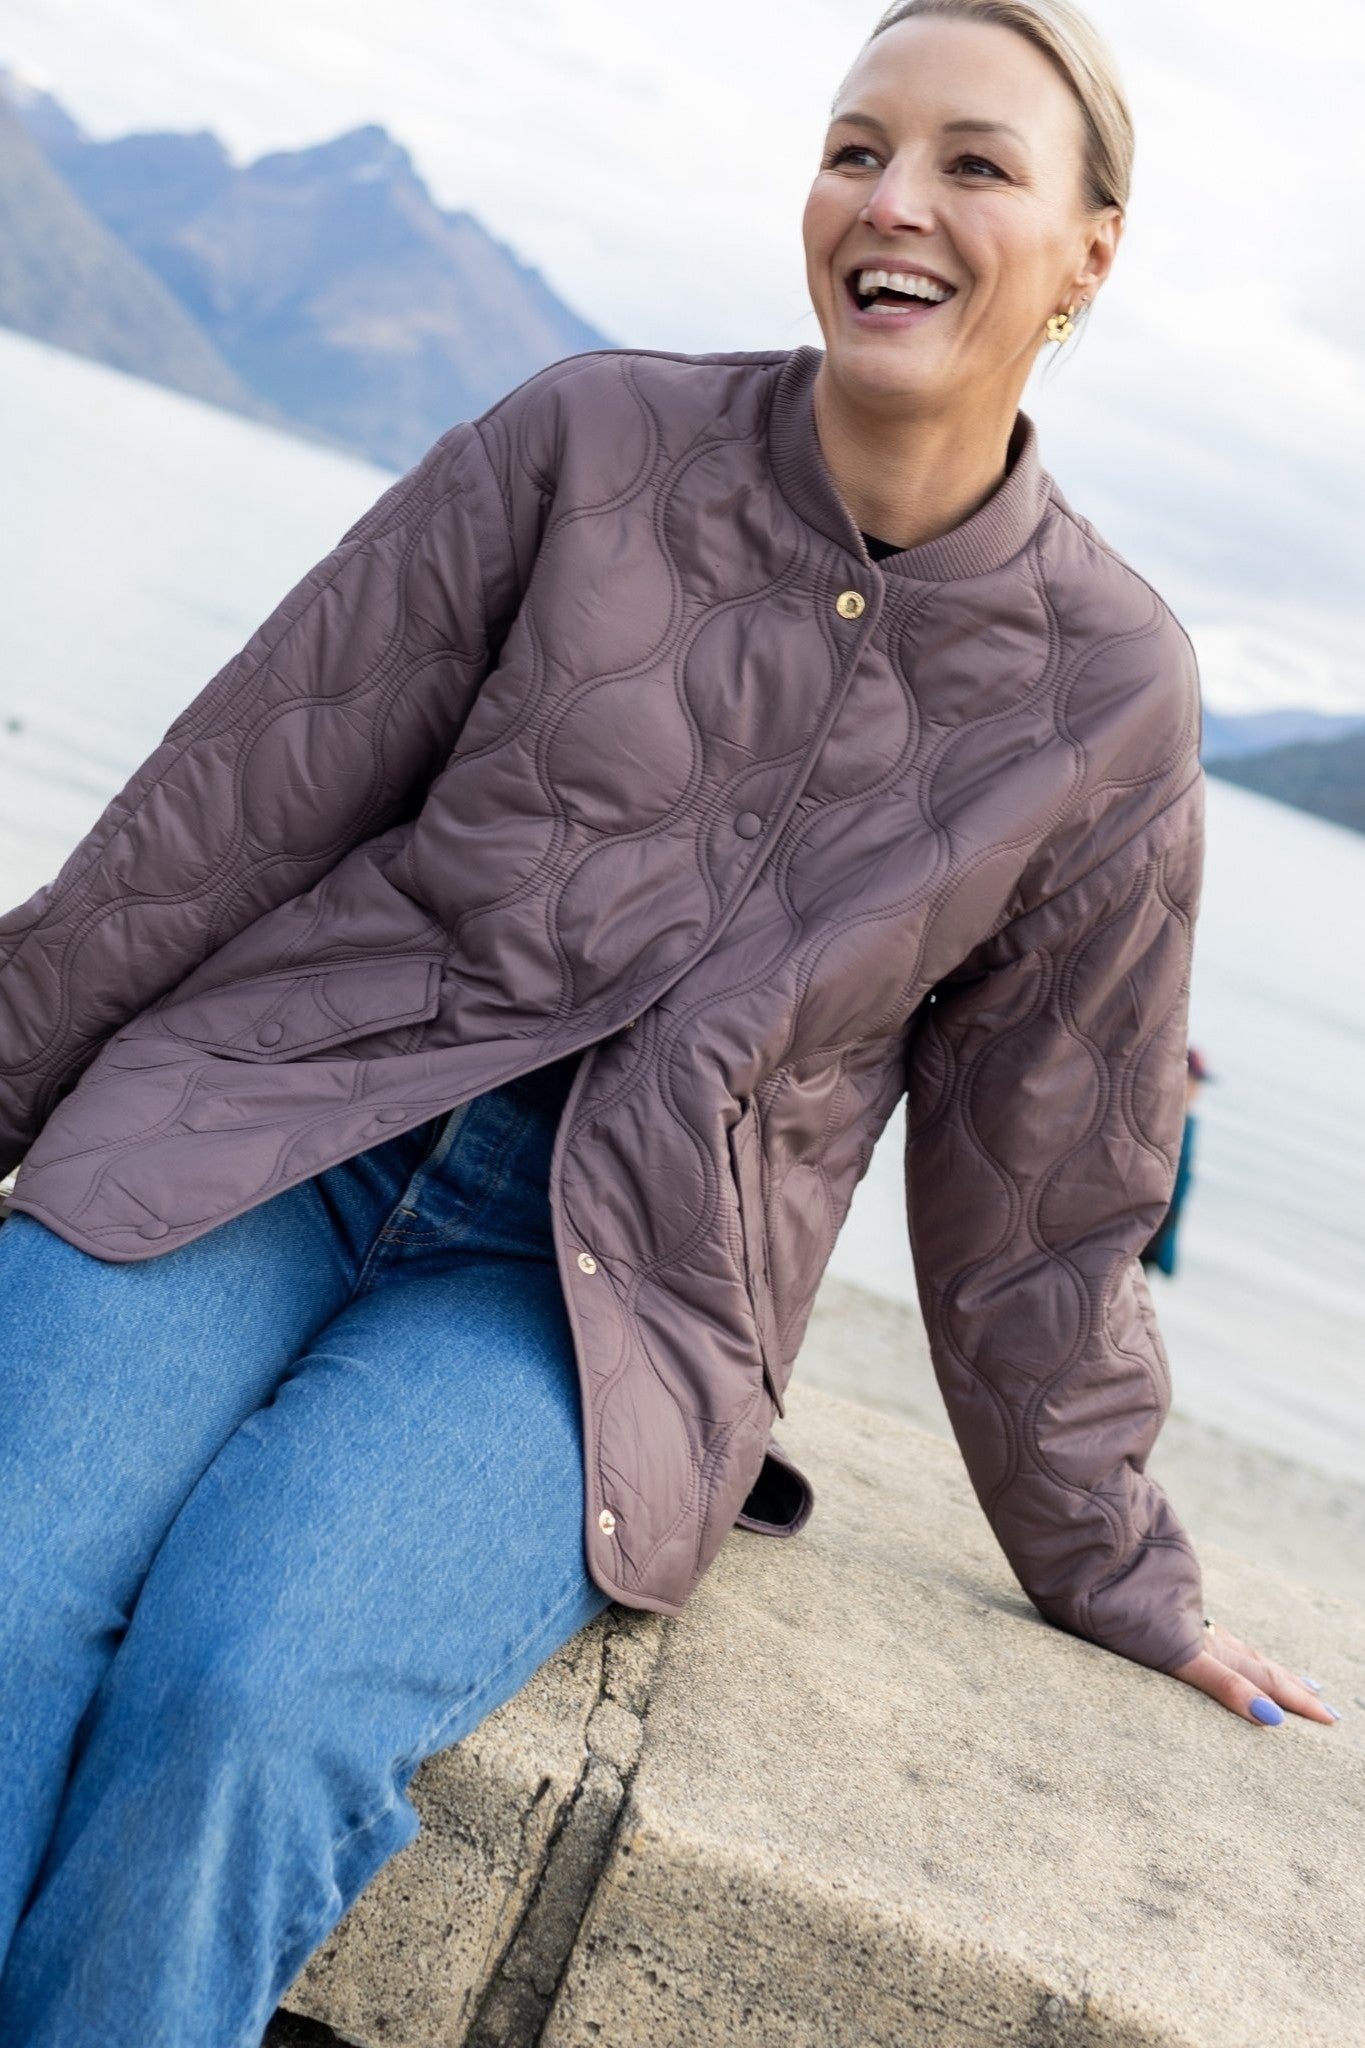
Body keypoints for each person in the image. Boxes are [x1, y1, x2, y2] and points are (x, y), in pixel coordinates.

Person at [0, 2, 1339, 2041]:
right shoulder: (586, 436)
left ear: (1088, 249)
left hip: (591, 1301)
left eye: (974, 163)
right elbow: (217, 822)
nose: (892, 201)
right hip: (258, 1123)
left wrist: (1117, 1568)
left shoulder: (1110, 698)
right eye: (853, 146)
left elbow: (1043, 1195)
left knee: (243, 1705)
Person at [1140, 1044, 1214, 1276]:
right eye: (1194, 1080)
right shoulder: (1159, 1121)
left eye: (1199, 1082)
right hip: (1140, 1235)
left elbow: (1180, 1193)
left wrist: (1167, 1250)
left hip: (1156, 1239)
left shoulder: (1188, 1123)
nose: (1197, 1089)